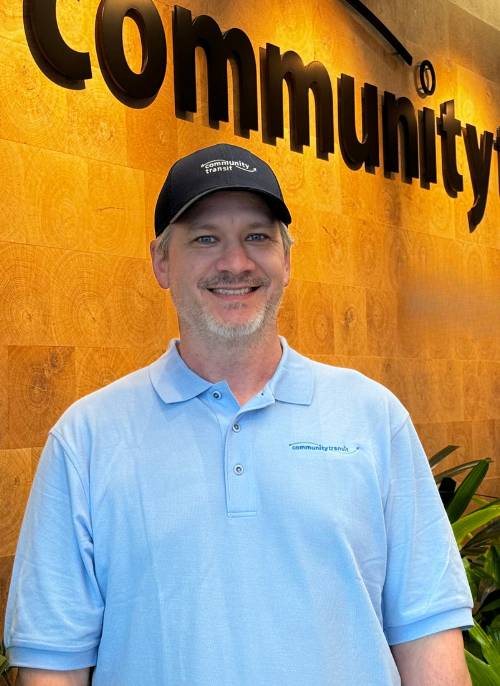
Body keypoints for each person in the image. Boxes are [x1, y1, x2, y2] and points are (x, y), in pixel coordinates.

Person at [4, 143, 473, 685]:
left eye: (258, 236)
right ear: (161, 260)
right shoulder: (86, 439)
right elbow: (53, 665)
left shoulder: (373, 417)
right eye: (206, 238)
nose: (235, 262)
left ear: (287, 259)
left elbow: (427, 634)